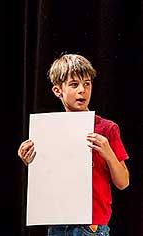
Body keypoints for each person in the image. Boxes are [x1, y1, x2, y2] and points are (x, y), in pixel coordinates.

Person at [18, 54, 129, 236]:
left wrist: (108, 153)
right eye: (74, 84)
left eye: (87, 84)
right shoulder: (47, 131)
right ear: (57, 91)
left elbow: (123, 182)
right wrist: (30, 160)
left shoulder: (107, 128)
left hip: (92, 227)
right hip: (57, 225)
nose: (82, 90)